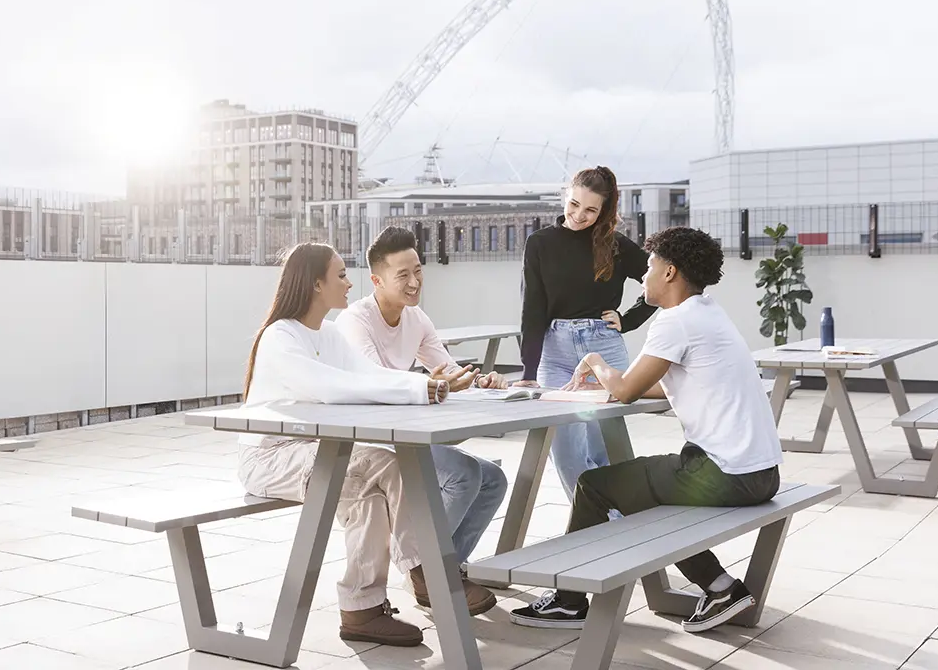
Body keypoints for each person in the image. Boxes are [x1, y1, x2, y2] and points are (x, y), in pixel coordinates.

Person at [510, 227, 783, 634]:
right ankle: (720, 585)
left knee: (594, 485)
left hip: (727, 473)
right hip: (761, 473)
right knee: (639, 489)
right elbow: (655, 383)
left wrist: (596, 363)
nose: (645, 276)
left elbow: (625, 391)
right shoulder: (706, 311)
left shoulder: (675, 322)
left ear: (670, 272)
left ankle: (569, 602)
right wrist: (613, 379)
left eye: (651, 266)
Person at [239, 242, 493, 648]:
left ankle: (363, 609)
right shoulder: (279, 336)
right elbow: (330, 387)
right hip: (271, 459)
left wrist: (428, 387)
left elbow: (368, 375)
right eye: (340, 275)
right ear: (315, 283)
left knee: (367, 489)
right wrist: (422, 388)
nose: (349, 281)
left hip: (318, 453)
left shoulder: (327, 333)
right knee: (378, 465)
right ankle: (425, 571)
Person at [335, 226, 508, 577]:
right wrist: (431, 385)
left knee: (493, 479)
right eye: (403, 275)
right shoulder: (355, 320)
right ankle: (421, 565)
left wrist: (481, 382)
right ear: (377, 281)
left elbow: (446, 370)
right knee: (464, 475)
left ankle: (445, 570)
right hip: (369, 438)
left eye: (418, 271)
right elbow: (376, 385)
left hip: (403, 432)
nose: (414, 282)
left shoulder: (416, 318)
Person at [512, 166, 657, 499]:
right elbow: (532, 309)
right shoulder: (539, 244)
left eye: (591, 210)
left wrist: (630, 318)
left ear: (603, 211)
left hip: (603, 350)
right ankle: (591, 521)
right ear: (566, 195)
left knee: (605, 447)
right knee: (565, 452)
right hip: (556, 354)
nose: (579, 215)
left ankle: (622, 523)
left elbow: (661, 280)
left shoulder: (617, 245)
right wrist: (528, 372)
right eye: (574, 204)